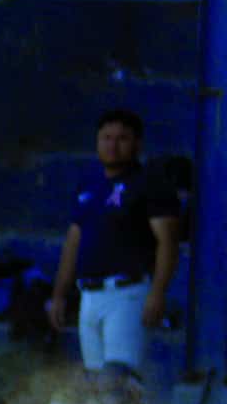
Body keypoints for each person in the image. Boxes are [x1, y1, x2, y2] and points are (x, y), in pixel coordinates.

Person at [48, 109, 182, 376]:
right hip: (89, 294)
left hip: (127, 292)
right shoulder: (89, 183)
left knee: (118, 381)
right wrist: (59, 295)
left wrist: (158, 292)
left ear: (137, 143)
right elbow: (74, 241)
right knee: (97, 388)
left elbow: (167, 242)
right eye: (106, 138)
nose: (113, 145)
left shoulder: (149, 183)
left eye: (122, 138)